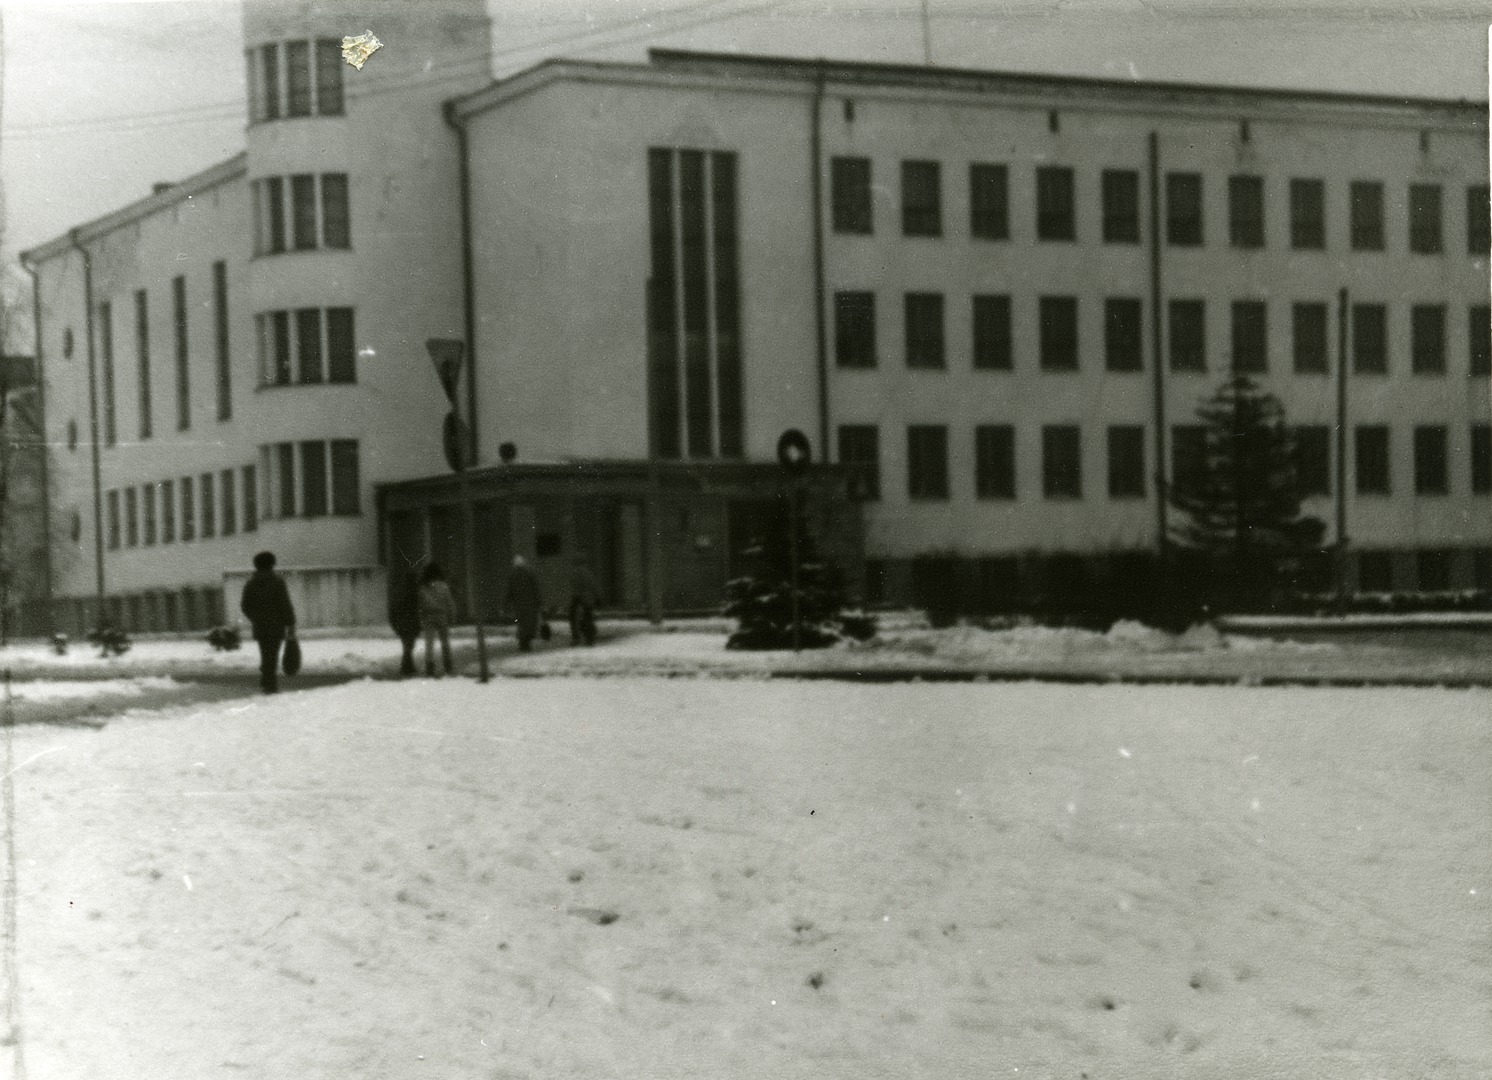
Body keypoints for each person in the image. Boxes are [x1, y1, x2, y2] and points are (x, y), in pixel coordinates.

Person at [240, 550, 296, 694]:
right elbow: (284, 604)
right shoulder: (277, 582)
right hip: (276, 625)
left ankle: (267, 680)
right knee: (273, 654)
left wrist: (255, 617)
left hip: (259, 626)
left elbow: (245, 605)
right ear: (272, 564)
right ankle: (270, 683)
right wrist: (290, 623)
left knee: (265, 653)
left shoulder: (251, 583)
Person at [418, 563, 457, 677]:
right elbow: (449, 602)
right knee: (445, 642)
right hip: (442, 615)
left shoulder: (423, 587)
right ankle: (448, 665)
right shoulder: (443, 586)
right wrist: (452, 616)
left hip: (428, 615)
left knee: (429, 643)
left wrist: (420, 617)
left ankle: (430, 666)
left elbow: (420, 604)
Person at [387, 564, 422, 677]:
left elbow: (393, 608)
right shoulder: (415, 592)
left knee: (406, 644)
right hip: (411, 621)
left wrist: (394, 622)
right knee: (409, 645)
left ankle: (407, 666)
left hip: (401, 622)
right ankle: (407, 666)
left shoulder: (399, 591)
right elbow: (418, 607)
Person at [504, 554, 543, 652]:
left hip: (518, 604)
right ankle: (527, 642)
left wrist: (506, 603)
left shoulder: (512, 575)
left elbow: (509, 591)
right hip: (530, 603)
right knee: (530, 623)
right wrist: (539, 601)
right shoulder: (530, 573)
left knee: (521, 623)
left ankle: (523, 643)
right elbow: (536, 588)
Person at [568, 557, 599, 647]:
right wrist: (597, 597)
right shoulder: (589, 573)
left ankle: (576, 637)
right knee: (588, 617)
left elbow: (574, 587)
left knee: (573, 617)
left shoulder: (574, 573)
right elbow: (594, 586)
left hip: (578, 597)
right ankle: (589, 638)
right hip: (588, 598)